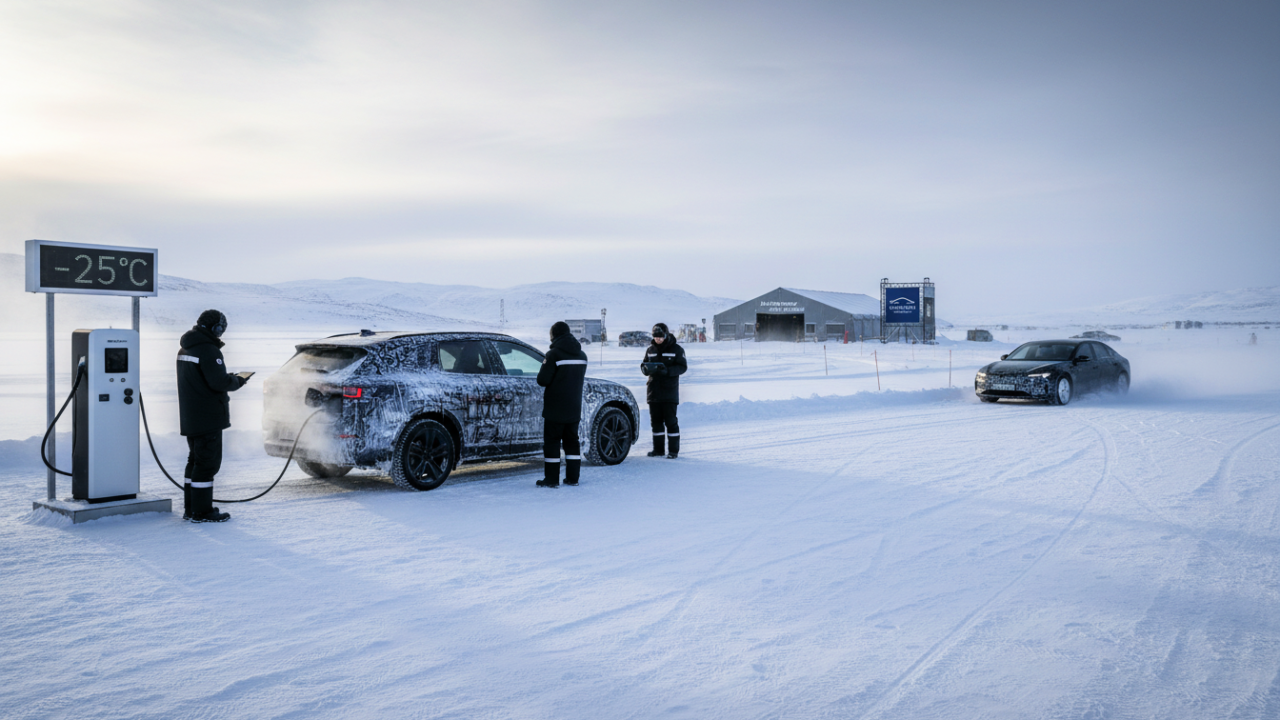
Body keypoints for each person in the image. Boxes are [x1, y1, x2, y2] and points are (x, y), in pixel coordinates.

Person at [176, 309, 249, 522]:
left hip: (192, 415)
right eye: (220, 328)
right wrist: (238, 381)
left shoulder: (186, 347)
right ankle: (201, 512)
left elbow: (205, 378)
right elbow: (218, 382)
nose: (221, 333)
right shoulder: (208, 350)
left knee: (195, 461)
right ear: (215, 328)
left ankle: (192, 509)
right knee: (207, 464)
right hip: (207, 416)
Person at [536, 321, 588, 487]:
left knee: (552, 443)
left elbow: (542, 380)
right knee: (572, 442)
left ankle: (551, 479)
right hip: (574, 407)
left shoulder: (553, 355)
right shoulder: (582, 356)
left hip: (555, 408)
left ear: (554, 335)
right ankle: (573, 478)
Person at [640, 323, 687, 458]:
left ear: (666, 335)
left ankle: (673, 451)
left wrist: (668, 371)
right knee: (656, 422)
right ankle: (658, 450)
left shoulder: (677, 349)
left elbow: (682, 367)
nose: (658, 339)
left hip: (669, 392)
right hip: (653, 392)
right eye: (655, 337)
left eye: (660, 337)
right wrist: (645, 369)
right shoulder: (650, 350)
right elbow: (644, 363)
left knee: (670, 422)